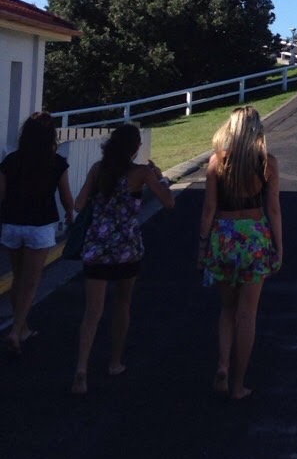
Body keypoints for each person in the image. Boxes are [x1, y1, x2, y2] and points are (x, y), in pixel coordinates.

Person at [71, 123, 175, 395]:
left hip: (96, 247)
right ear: (135, 148)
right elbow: (168, 202)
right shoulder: (140, 174)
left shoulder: (98, 169)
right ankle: (115, 362)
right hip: (127, 248)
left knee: (92, 312)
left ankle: (81, 368)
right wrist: (160, 177)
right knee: (122, 304)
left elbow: (78, 204)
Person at [198, 106, 282, 400]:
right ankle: (238, 383)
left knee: (227, 309)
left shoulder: (216, 162)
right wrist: (278, 247)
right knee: (248, 314)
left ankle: (222, 364)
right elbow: (273, 209)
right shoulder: (266, 164)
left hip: (224, 235)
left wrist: (202, 245)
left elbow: (209, 209)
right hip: (255, 238)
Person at [0, 112, 75, 354]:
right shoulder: (56, 162)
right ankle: (16, 330)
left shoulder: (10, 161)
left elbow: (1, 196)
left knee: (18, 278)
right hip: (40, 226)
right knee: (31, 282)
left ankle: (21, 328)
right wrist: (70, 216)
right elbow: (65, 195)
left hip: (12, 224)